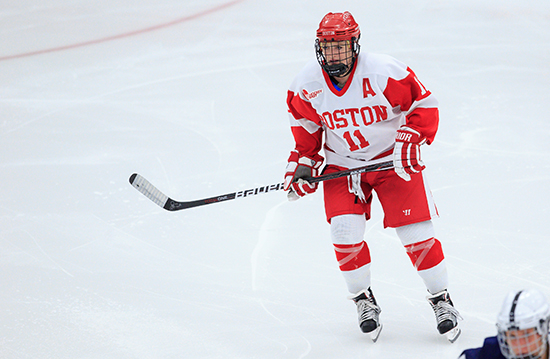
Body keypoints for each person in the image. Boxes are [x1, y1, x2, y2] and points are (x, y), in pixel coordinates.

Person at [283, 11, 462, 342]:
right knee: (344, 234)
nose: (334, 55)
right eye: (328, 47)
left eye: (340, 47)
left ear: (355, 44)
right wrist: (305, 161)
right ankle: (363, 300)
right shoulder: (306, 85)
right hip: (342, 165)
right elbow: (306, 127)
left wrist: (411, 134)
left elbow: (424, 103)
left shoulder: (383, 71)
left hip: (391, 162)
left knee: (416, 235)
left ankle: (442, 299)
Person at [460, 289, 550, 359]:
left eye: (527, 335)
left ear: (543, 331)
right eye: (512, 336)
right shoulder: (493, 352)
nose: (520, 346)